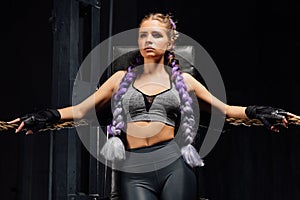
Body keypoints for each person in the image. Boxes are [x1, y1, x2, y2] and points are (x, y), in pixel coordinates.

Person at [7, 12, 293, 200]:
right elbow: (80, 111)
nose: (148, 40)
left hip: (173, 165)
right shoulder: (120, 78)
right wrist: (42, 117)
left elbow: (228, 111)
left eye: (156, 35)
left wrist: (262, 113)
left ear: (170, 42)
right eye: (143, 35)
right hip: (135, 167)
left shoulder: (186, 82)